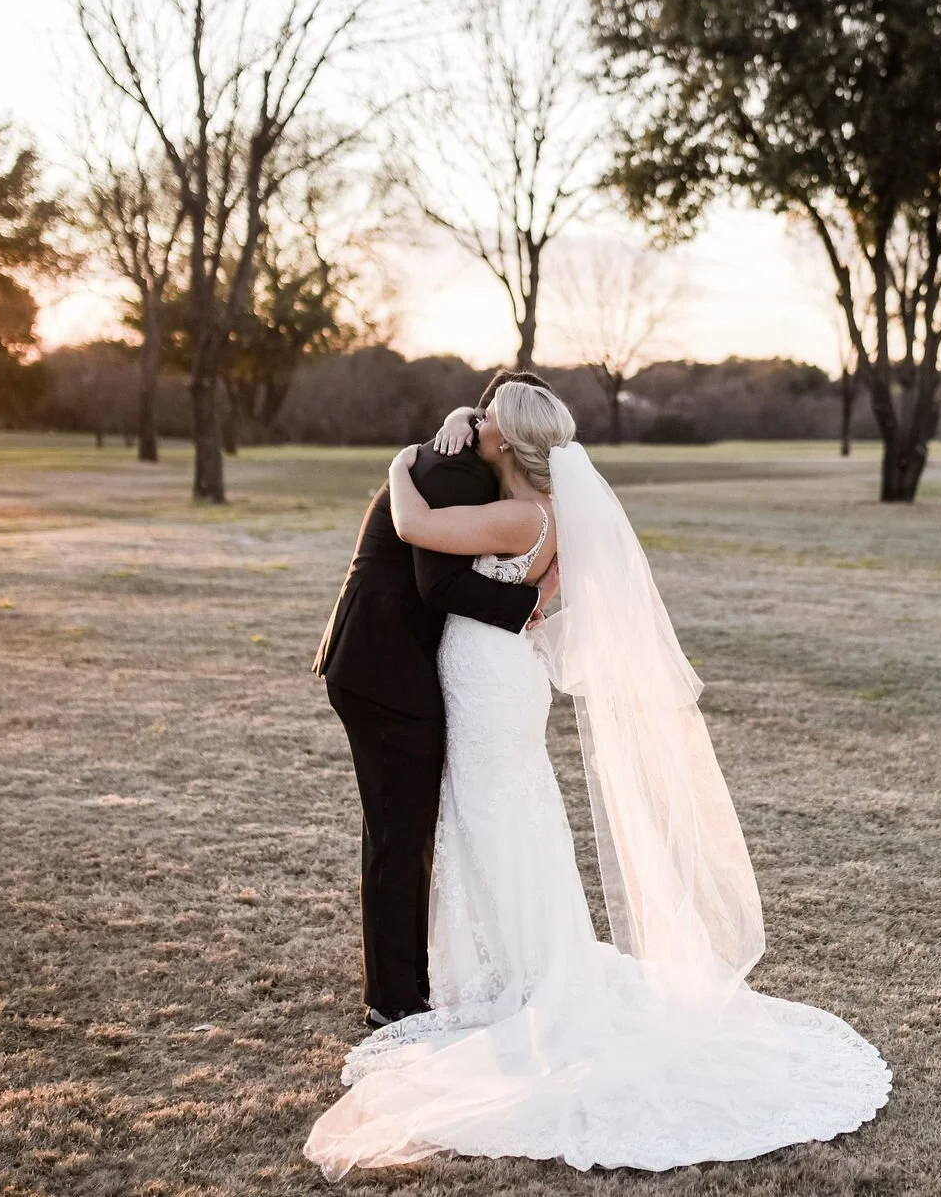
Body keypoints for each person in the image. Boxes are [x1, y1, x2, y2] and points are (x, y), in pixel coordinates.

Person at [305, 381, 890, 1176]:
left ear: (507, 441)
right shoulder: (548, 506)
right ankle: (504, 967)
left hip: (488, 678)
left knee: (490, 813)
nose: (478, 422)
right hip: (492, 672)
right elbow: (526, 582)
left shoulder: (521, 513)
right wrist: (520, 582)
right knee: (496, 813)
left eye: (488, 420)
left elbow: (416, 529)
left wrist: (398, 462)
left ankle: (509, 974)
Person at [310, 370, 559, 1028]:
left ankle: (404, 985)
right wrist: (528, 603)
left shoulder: (473, 466)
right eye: (486, 414)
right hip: (382, 664)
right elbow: (438, 585)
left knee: (409, 827)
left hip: (400, 665)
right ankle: (392, 1000)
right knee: (401, 831)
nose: (483, 423)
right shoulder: (454, 468)